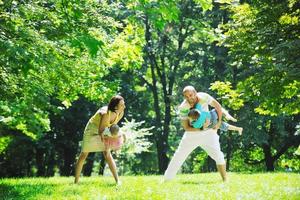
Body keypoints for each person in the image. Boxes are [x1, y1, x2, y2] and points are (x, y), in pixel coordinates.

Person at [164, 86, 228, 182]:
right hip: (192, 134)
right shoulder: (183, 107)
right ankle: (166, 180)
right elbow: (186, 127)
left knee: (218, 155)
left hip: (209, 133)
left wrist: (218, 123)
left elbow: (217, 106)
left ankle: (225, 180)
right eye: (186, 96)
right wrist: (202, 128)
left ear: (195, 93)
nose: (189, 98)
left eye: (190, 95)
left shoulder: (204, 97)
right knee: (178, 156)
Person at [74, 95, 125, 185]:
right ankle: (76, 182)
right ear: (115, 106)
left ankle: (117, 181)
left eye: (124, 104)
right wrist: (110, 137)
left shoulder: (120, 113)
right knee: (84, 154)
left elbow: (111, 126)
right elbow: (100, 131)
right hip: (92, 129)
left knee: (107, 154)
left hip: (103, 130)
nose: (124, 107)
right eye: (121, 105)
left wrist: (115, 136)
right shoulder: (105, 113)